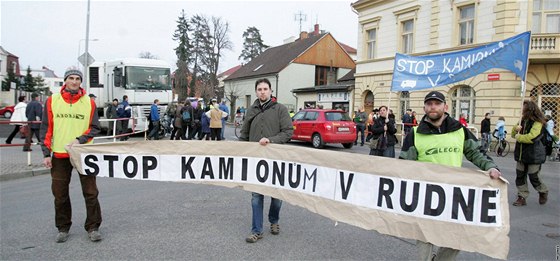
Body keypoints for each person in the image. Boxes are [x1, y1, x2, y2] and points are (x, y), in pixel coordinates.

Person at [399, 91, 501, 260]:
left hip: (454, 194)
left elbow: (476, 152)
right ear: (424, 107)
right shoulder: (415, 134)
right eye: (429, 104)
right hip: (425, 195)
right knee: (425, 238)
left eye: (436, 103)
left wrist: (491, 167)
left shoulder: (459, 130)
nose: (433, 107)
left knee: (457, 238)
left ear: (445, 107)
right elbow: (403, 164)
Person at [40, 67, 102, 243]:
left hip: (83, 153)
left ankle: (93, 227)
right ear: (65, 80)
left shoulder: (89, 103)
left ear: (81, 82)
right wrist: (46, 153)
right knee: (60, 194)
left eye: (77, 79)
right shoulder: (53, 101)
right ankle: (63, 227)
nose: (74, 81)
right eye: (71, 78)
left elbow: (95, 127)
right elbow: (46, 128)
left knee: (91, 192)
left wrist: (80, 140)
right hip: (59, 155)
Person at [239, 78, 293, 243]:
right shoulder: (251, 110)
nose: (262, 92)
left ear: (271, 91)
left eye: (265, 89)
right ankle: (257, 230)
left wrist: (271, 140)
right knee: (256, 196)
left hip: (276, 159)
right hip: (256, 160)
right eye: (260, 89)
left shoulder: (280, 109)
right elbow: (244, 134)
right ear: (256, 91)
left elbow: (288, 132)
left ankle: (274, 220)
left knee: (276, 195)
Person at [511, 100, 549, 206]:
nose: (521, 110)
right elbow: (514, 134)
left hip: (534, 154)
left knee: (534, 176)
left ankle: (543, 191)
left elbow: (533, 137)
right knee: (520, 176)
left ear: (529, 109)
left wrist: (519, 137)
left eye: (523, 108)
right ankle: (522, 196)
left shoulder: (538, 123)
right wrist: (515, 129)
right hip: (521, 154)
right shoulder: (521, 121)